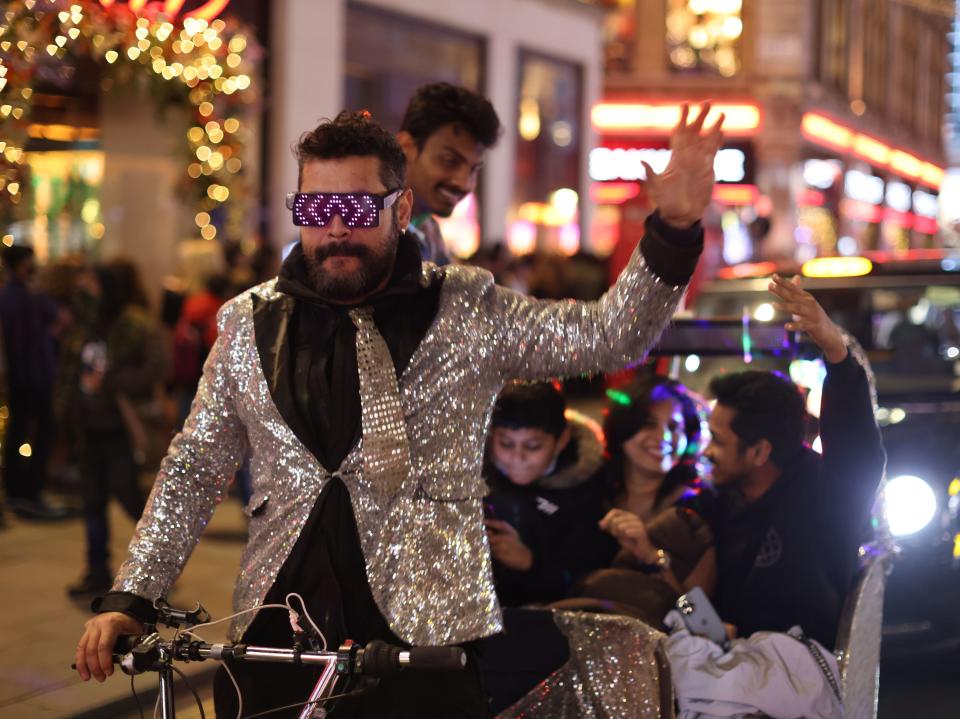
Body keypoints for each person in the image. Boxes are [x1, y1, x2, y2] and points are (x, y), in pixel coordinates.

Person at [75, 105, 723, 718]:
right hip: (278, 638)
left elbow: (609, 336)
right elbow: (193, 468)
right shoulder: (249, 323)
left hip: (427, 648)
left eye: (356, 207)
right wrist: (132, 597)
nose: (335, 228)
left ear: (400, 206)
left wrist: (671, 233)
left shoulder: (467, 308)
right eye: (317, 206)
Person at [703, 274, 886, 649]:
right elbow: (690, 601)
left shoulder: (824, 495)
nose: (706, 453)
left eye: (718, 442)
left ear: (759, 452)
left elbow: (857, 454)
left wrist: (836, 353)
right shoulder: (716, 502)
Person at [554, 380, 716, 628]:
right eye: (648, 423)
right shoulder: (587, 496)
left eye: (674, 427)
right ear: (622, 428)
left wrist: (652, 556)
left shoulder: (697, 513)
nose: (663, 436)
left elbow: (702, 621)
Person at [67, 259, 166, 598]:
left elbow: (156, 367)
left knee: (129, 498)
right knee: (92, 502)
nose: (86, 289)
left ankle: (157, 565)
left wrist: (111, 382)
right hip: (88, 427)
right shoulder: (86, 326)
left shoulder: (134, 324)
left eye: (92, 283)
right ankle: (96, 570)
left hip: (121, 428)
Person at [484, 382, 615, 607]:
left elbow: (589, 578)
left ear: (561, 441)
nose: (517, 457)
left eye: (533, 446)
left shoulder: (588, 489)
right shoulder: (475, 476)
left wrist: (530, 563)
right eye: (505, 444)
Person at [397, 82, 502, 265]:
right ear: (406, 146)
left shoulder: (429, 231)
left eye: (473, 170)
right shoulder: (371, 229)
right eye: (449, 161)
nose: (464, 184)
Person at [0, 245, 67, 520]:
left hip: (27, 374)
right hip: (30, 375)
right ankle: (27, 490)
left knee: (22, 429)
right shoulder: (23, 296)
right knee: (38, 429)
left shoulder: (17, 296)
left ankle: (21, 489)